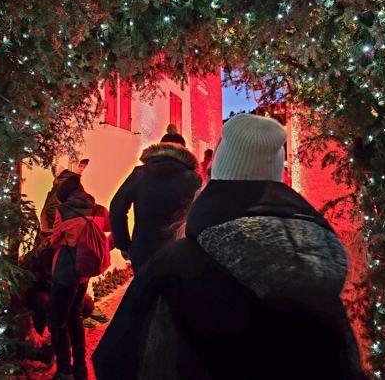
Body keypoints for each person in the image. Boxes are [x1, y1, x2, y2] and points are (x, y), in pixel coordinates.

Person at [93, 114, 366, 380]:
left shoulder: (174, 265)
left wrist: (126, 244)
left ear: (219, 170)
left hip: (147, 253)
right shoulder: (316, 258)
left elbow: (119, 360)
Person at [48, 166, 108, 380]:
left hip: (66, 271)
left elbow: (54, 241)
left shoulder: (63, 211)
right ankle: (80, 368)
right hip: (84, 272)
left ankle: (64, 371)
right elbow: (107, 228)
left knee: (57, 320)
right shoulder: (97, 208)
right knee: (75, 315)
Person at [109, 140, 201, 272]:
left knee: (144, 284)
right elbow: (200, 215)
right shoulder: (193, 179)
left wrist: (123, 244)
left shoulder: (140, 174)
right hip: (178, 250)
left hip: (143, 249)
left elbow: (117, 208)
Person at [40, 159, 90, 238]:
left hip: (52, 232)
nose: (81, 169)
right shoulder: (66, 182)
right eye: (80, 166)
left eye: (83, 167)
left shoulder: (67, 182)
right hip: (53, 233)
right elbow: (51, 209)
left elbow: (52, 209)